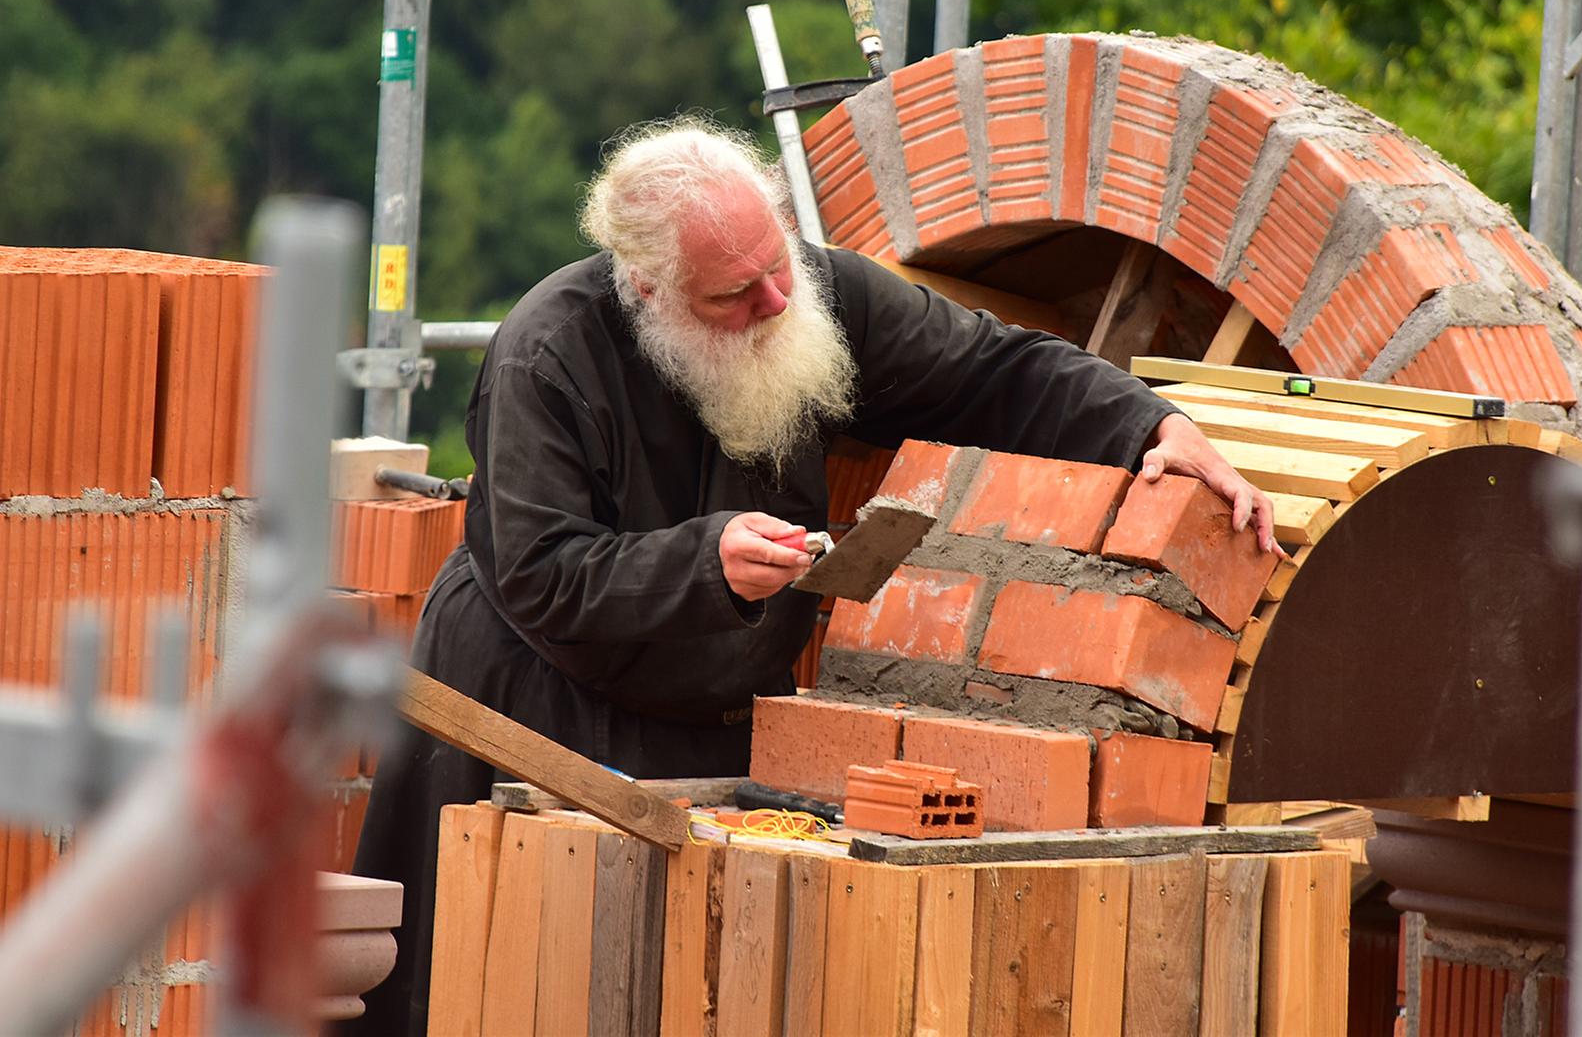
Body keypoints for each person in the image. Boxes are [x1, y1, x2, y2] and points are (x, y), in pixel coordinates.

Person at [347, 116, 1274, 1035]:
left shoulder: (811, 287)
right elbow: (546, 576)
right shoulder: (547, 355)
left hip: (709, 698)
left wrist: (1152, 426)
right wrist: (703, 561)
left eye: (777, 263)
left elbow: (995, 370)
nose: (778, 302)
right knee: (499, 992)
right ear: (647, 288)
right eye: (734, 295)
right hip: (533, 695)